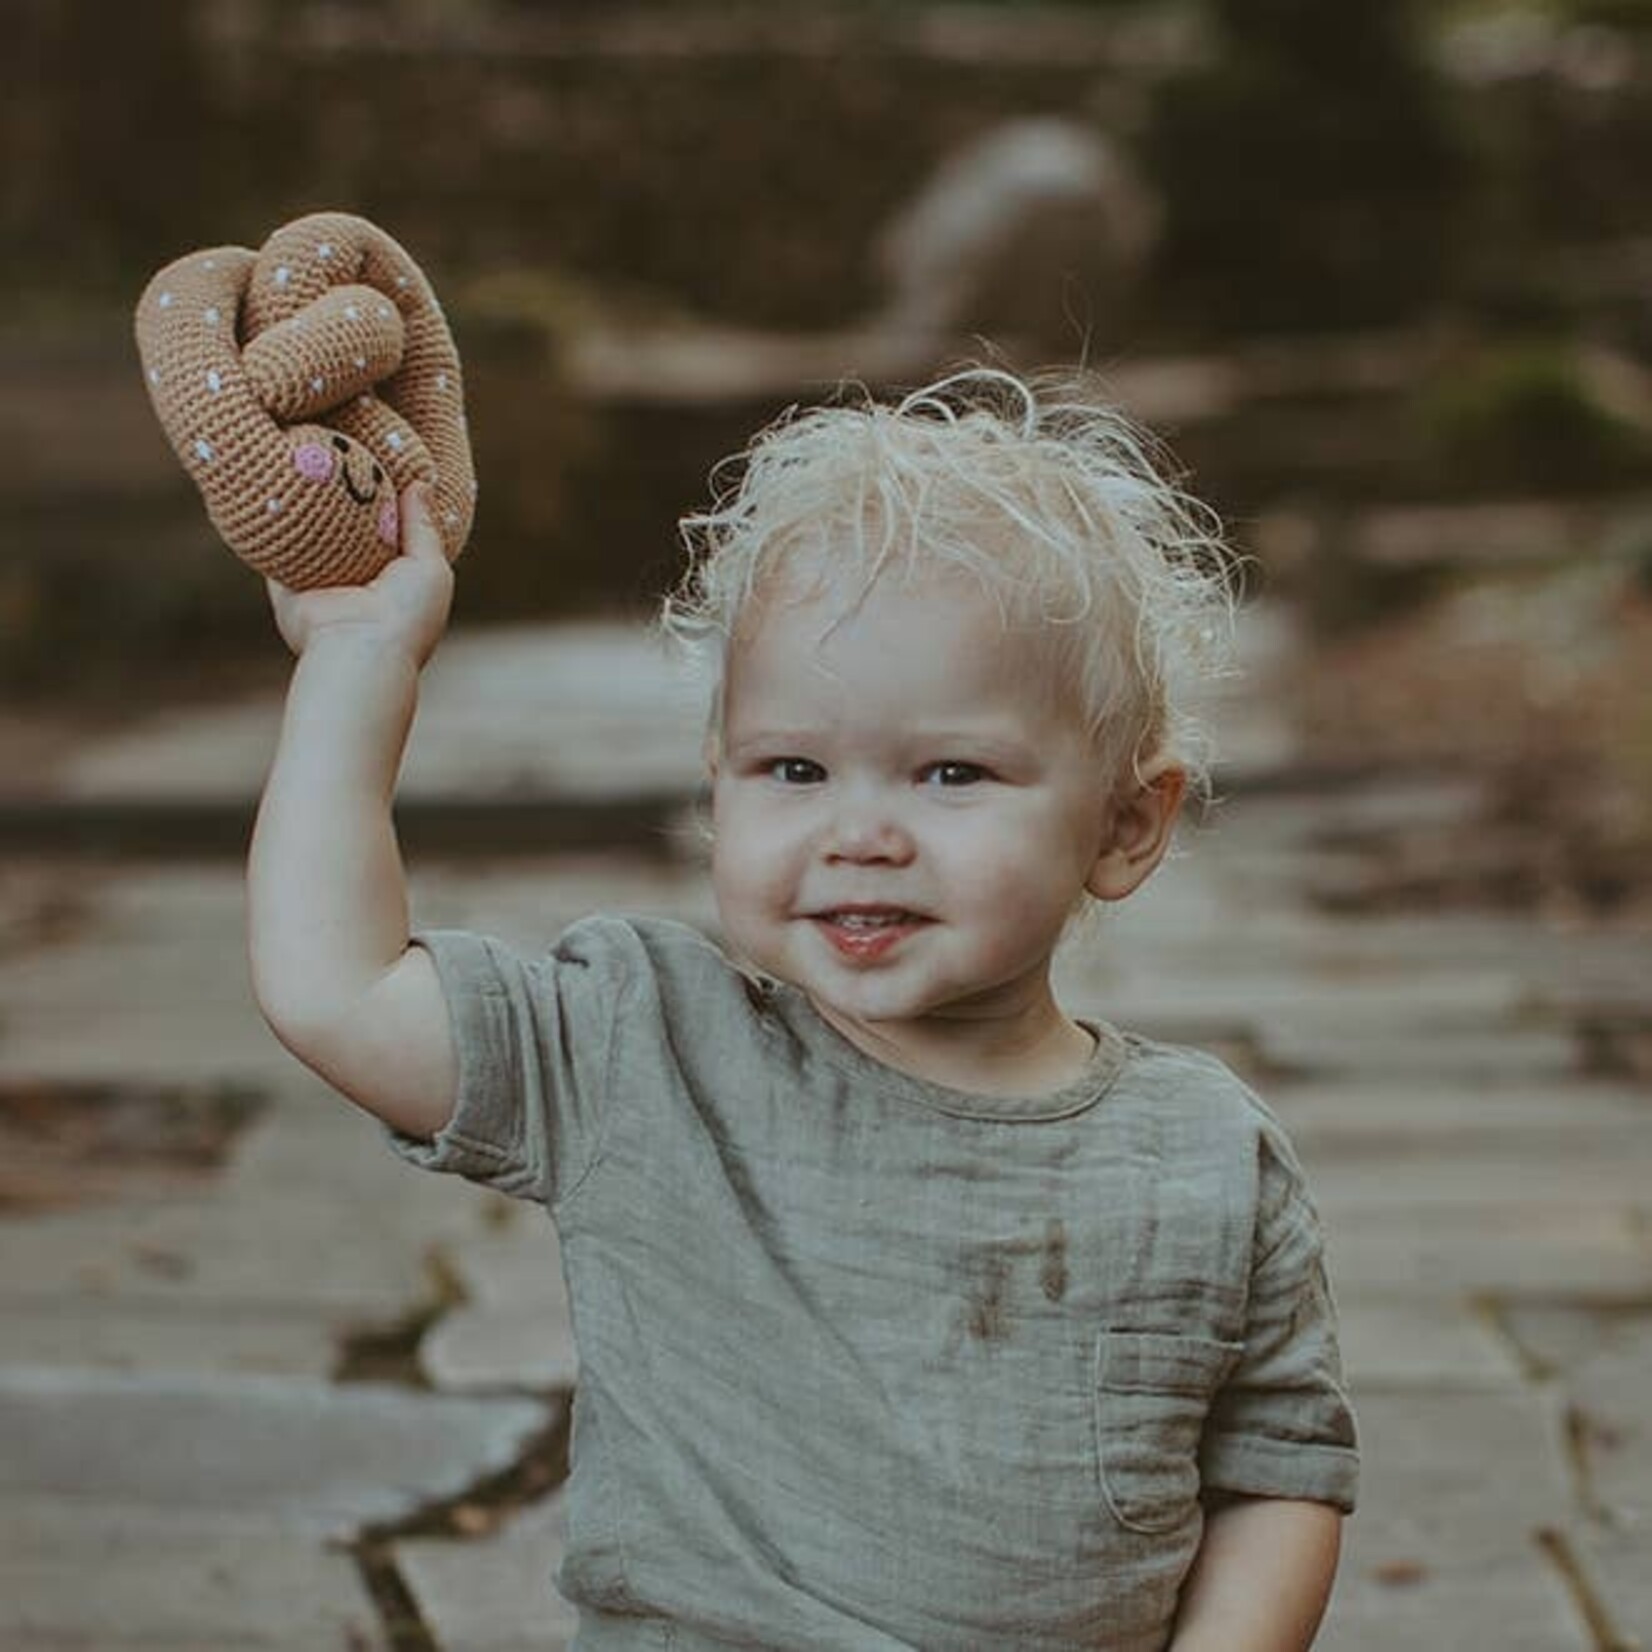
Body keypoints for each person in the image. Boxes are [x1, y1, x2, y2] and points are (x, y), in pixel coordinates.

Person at [248, 368, 1359, 1651]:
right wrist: (357, 659)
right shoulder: (645, 1052)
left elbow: (1277, 1466)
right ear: (717, 790)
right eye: (792, 768)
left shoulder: (1206, 1155)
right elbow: (333, 989)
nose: (859, 834)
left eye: (951, 771)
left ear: (1124, 823)